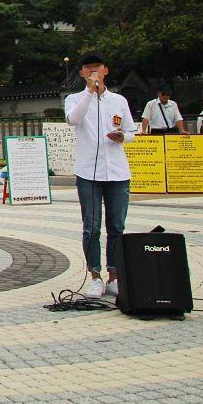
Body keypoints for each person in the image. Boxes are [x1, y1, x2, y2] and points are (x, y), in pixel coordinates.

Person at [65, 51, 136, 300]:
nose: (94, 72)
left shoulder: (118, 100)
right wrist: (90, 93)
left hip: (117, 171)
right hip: (88, 173)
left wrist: (123, 137)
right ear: (82, 73)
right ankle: (95, 276)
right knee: (91, 227)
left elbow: (131, 131)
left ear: (106, 70)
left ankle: (115, 275)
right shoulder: (75, 99)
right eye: (88, 69)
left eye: (98, 68)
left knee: (116, 227)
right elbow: (73, 120)